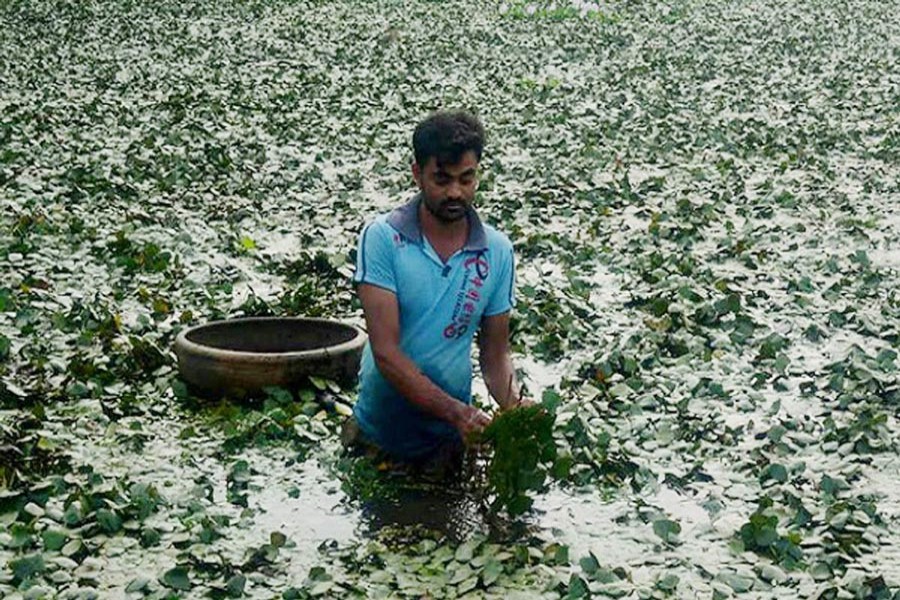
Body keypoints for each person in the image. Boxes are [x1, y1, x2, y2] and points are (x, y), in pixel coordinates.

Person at [345, 110, 529, 474]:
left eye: (466, 178)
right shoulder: (383, 238)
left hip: (448, 440)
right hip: (379, 437)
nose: (455, 193)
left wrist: (518, 407)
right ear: (417, 174)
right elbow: (386, 352)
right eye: (441, 180)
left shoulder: (496, 251)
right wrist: (457, 412)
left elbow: (494, 359)